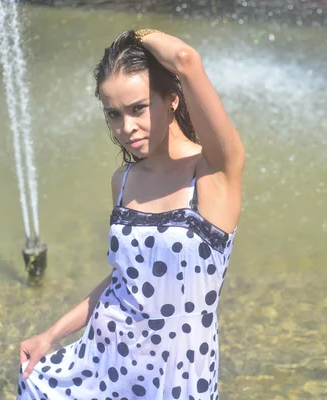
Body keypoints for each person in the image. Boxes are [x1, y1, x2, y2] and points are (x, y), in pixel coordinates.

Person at [16, 28, 245, 399]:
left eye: (138, 108)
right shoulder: (123, 180)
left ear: (172, 98)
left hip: (179, 378)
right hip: (106, 364)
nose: (126, 128)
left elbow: (186, 60)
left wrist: (136, 34)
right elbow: (125, 281)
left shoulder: (213, 173)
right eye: (113, 115)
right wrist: (51, 336)